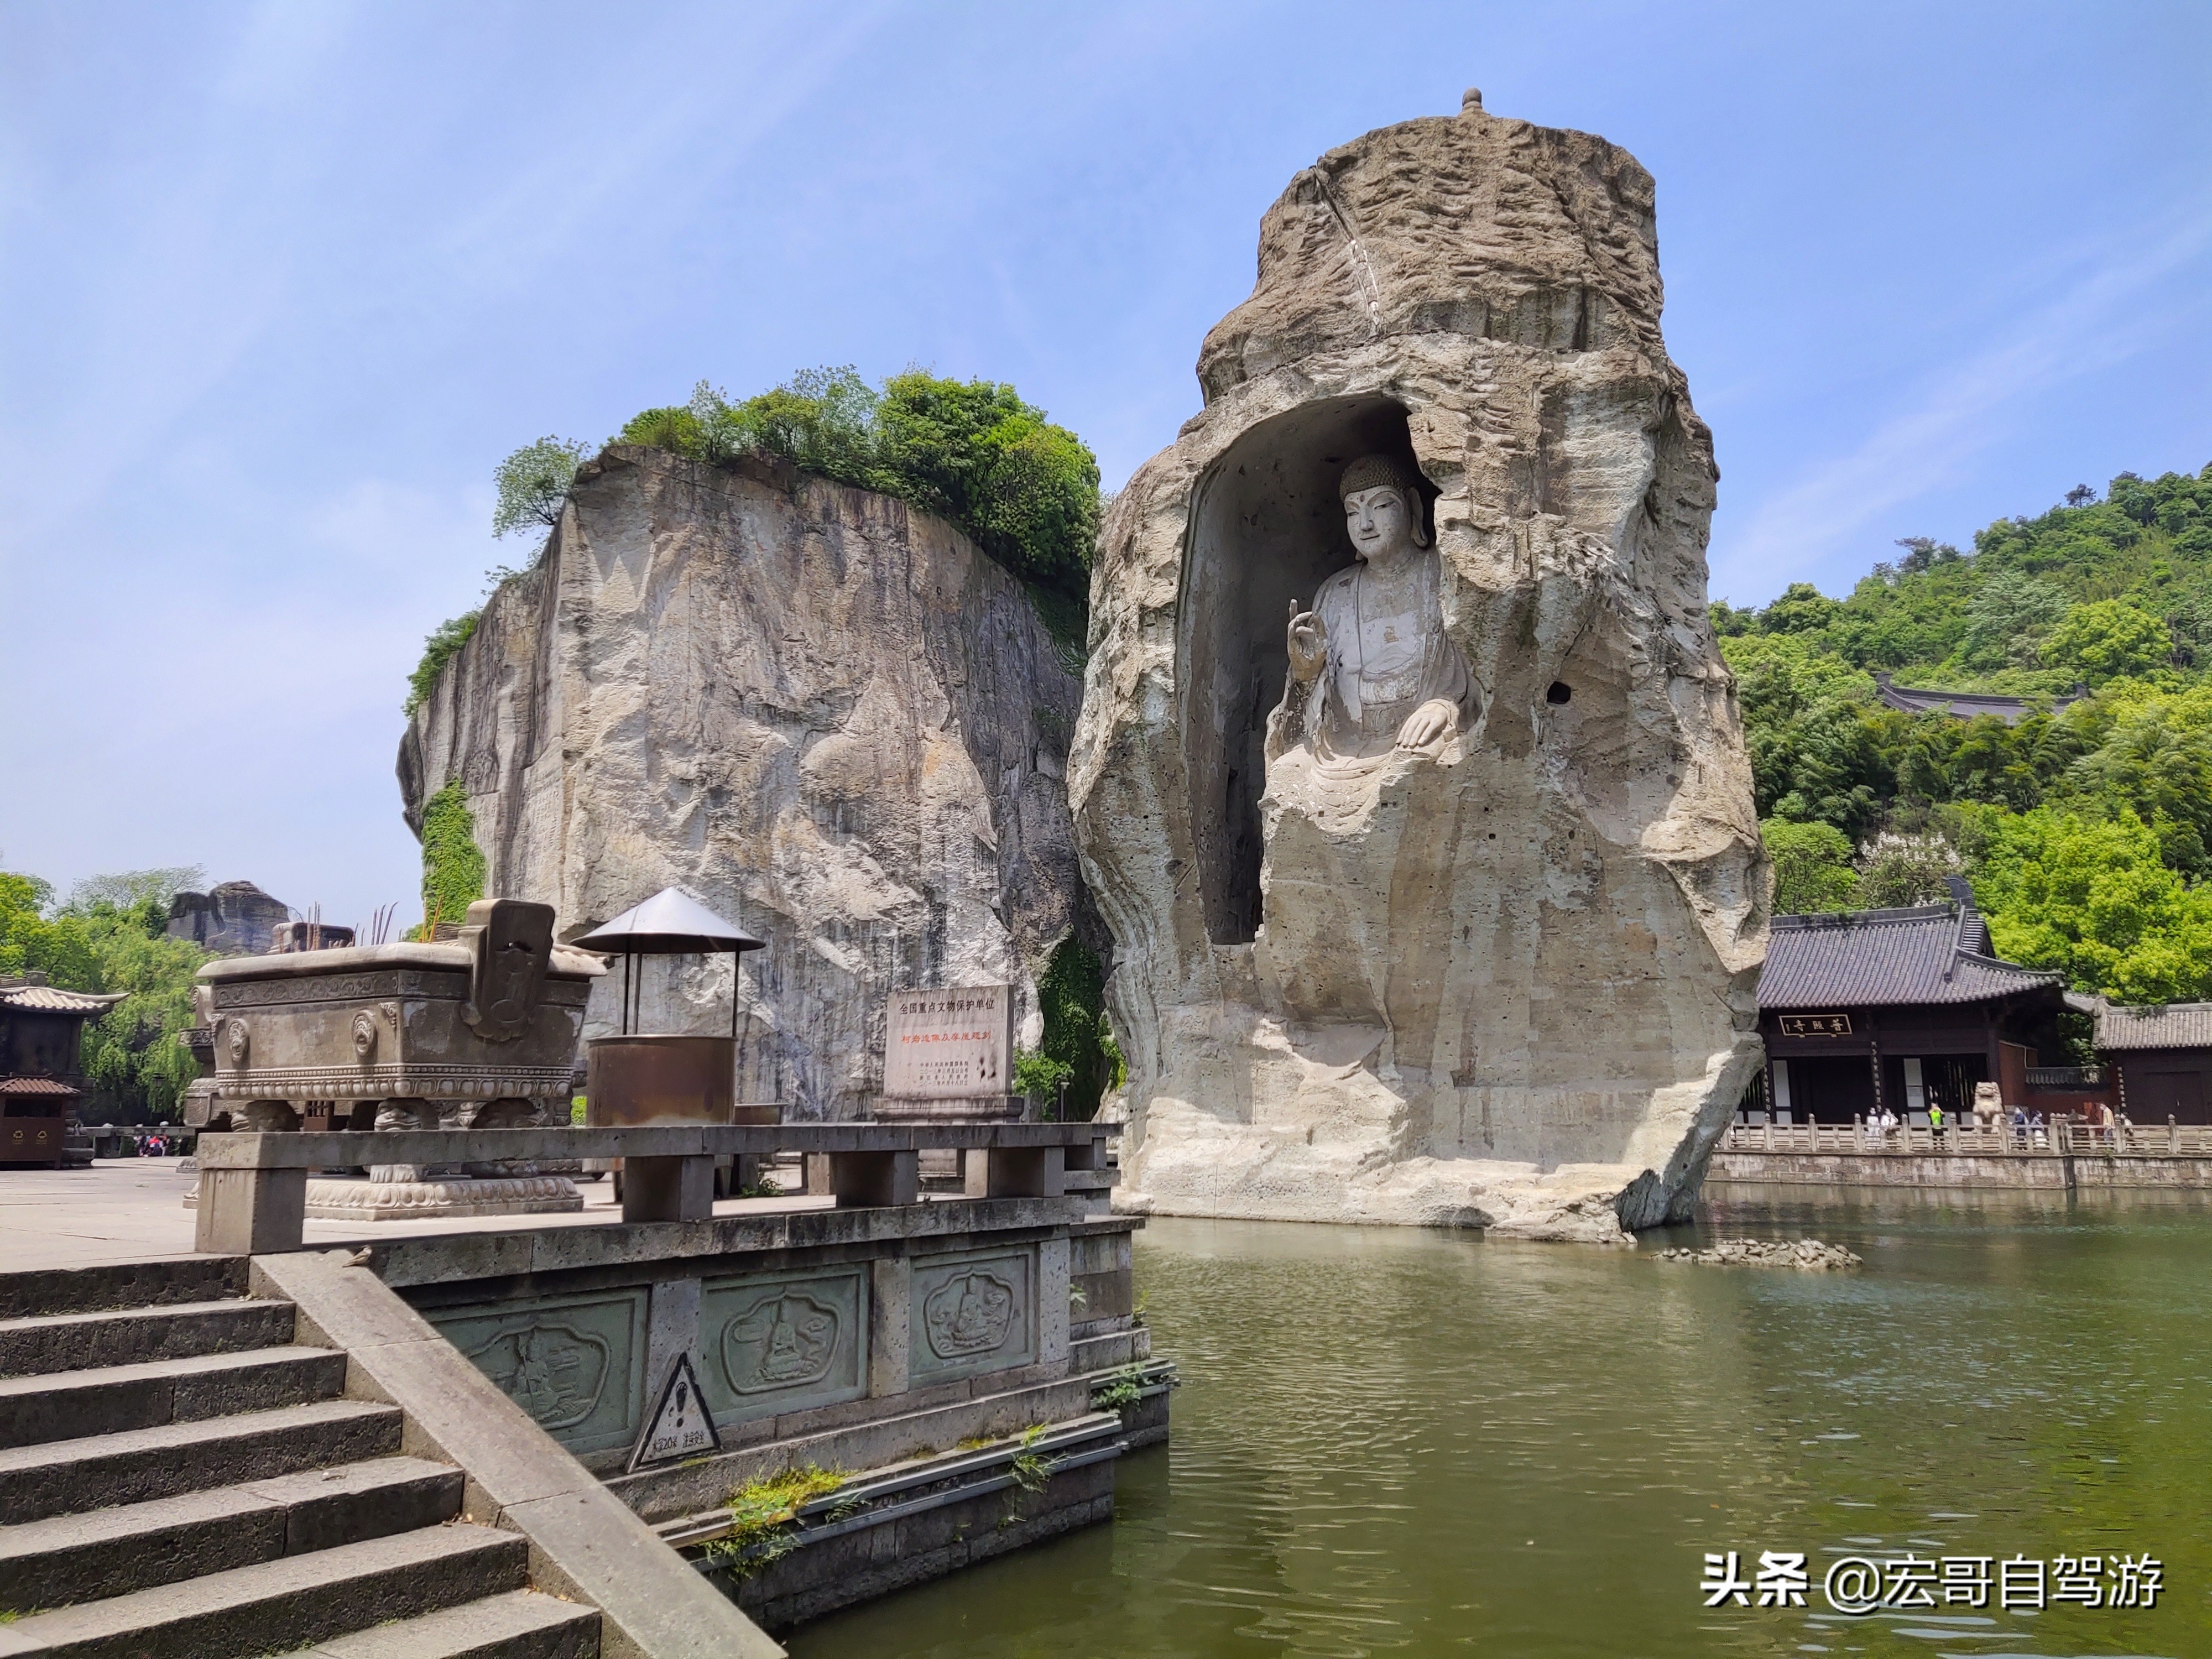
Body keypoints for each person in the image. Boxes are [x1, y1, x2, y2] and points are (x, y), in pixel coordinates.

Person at [1269, 455, 1479, 768]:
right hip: (1343, 748)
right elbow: (1311, 710)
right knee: (1289, 771)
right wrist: (1307, 672)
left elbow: (1480, 671)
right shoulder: (1334, 592)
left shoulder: (1444, 573)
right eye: (1353, 512)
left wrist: (1445, 708)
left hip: (1424, 737)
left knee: (1422, 762)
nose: (1366, 524)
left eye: (1381, 506)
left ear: (1413, 507)